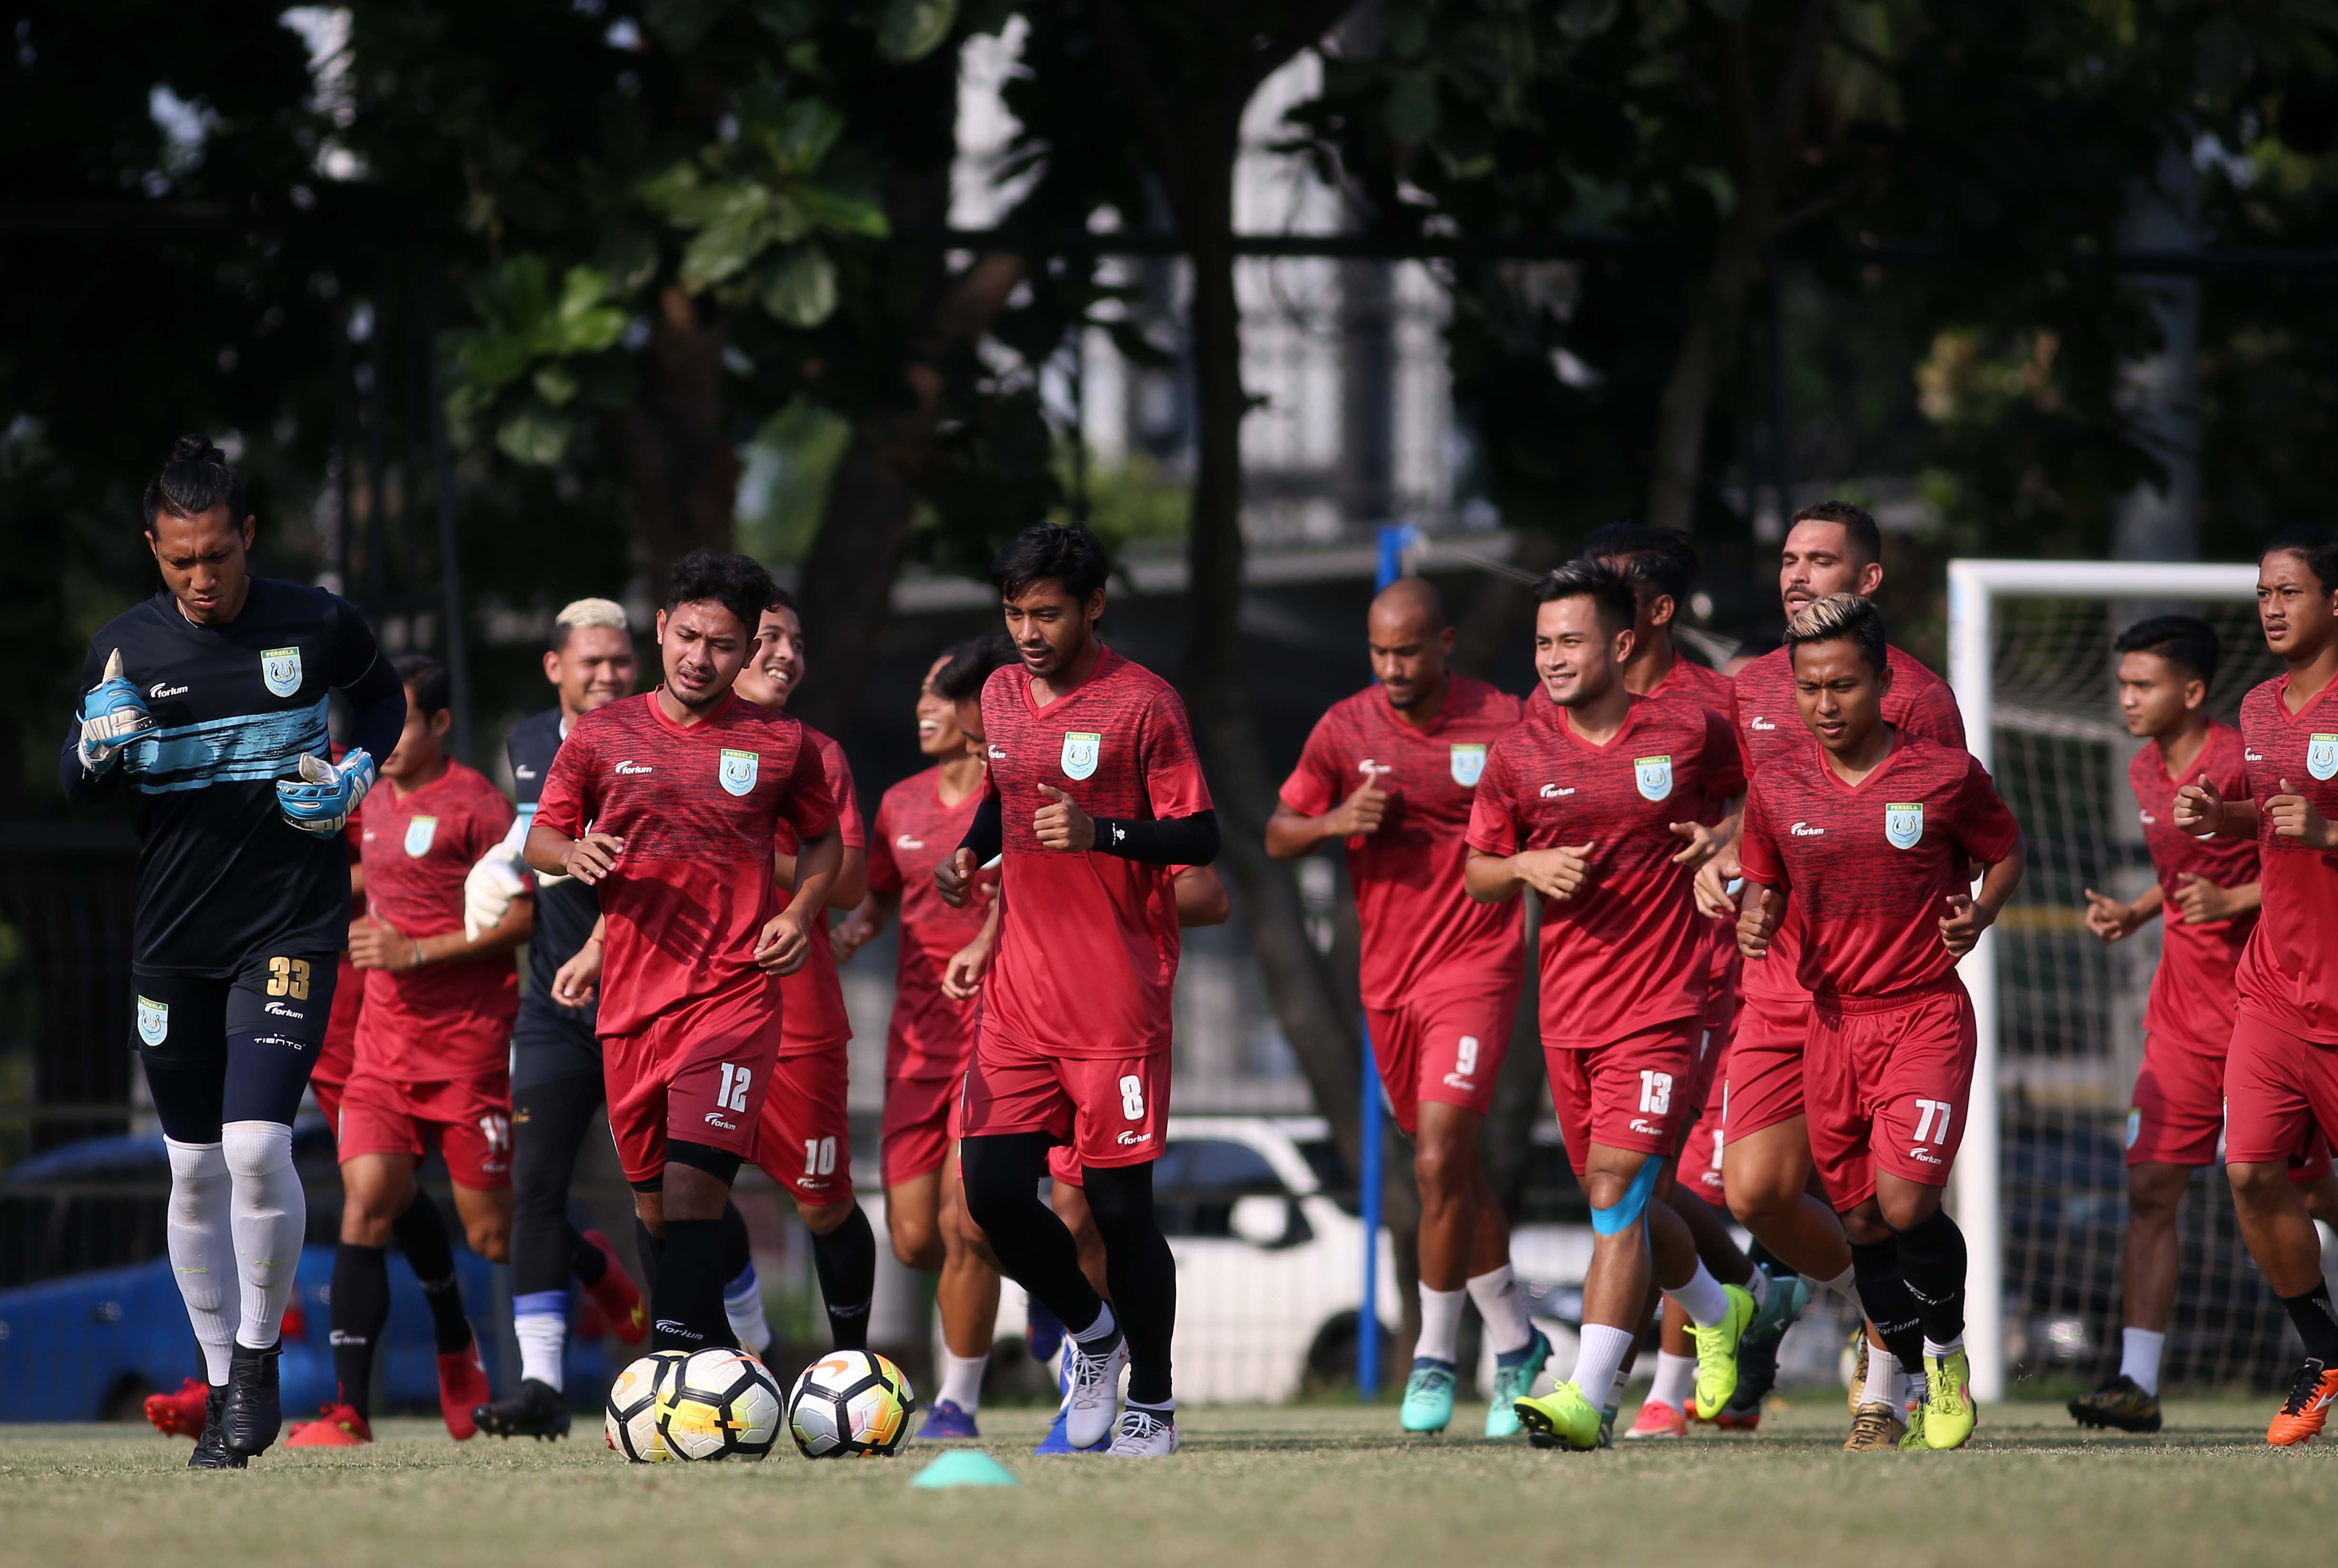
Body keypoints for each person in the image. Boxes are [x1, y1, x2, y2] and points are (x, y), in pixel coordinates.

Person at [64, 436, 405, 1465]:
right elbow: (82, 788)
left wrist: (355, 771)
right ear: (153, 550)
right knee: (194, 1169)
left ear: (248, 536)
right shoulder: (125, 649)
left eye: (218, 554)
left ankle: (257, 1368)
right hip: (174, 939)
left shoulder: (314, 618)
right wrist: (95, 748)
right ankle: (217, 1382)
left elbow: (382, 697)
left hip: (289, 923)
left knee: (259, 1145)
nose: (201, 579)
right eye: (180, 561)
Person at [1466, 559, 1756, 1453]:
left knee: (1620, 1192)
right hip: (1570, 1012)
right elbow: (1479, 872)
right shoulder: (1518, 752)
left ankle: (1588, 1396)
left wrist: (1724, 840)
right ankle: (1720, 1306)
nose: (1553, 658)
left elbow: (1766, 788)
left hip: (1667, 1001)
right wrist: (1524, 868)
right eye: (1544, 642)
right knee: (1613, 1200)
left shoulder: (1687, 731)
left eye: (1572, 641)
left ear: (1622, 644)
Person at [943, 522, 1218, 1459]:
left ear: (1093, 607)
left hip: (1116, 1005)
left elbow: (1201, 838)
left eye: (1047, 614)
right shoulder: (999, 695)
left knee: (1119, 1210)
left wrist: (1103, 834)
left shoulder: (1146, 705)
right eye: (1015, 613)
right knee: (990, 1196)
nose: (1027, 631)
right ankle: (1092, 1338)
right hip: (1020, 999)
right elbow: (1001, 795)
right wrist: (969, 852)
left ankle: (1157, 1397)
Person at [524, 550, 841, 1355]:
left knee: (696, 1187)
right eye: (690, 637)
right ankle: (720, 1354)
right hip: (632, 1006)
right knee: (655, 1205)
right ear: (662, 629)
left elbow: (825, 843)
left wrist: (801, 910)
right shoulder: (602, 737)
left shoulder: (778, 743)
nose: (702, 659)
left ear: (747, 651)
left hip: (733, 996)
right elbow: (543, 836)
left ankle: (679, 1367)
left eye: (725, 645)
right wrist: (575, 858)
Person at [1696, 499, 1965, 1444]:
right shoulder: (1753, 684)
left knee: (1889, 1198)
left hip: (1885, 991)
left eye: (1822, 559)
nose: (1798, 574)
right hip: (1780, 982)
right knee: (1755, 1192)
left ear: (1870, 583)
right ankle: (1875, 1301)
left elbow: (1948, 827)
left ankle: (1885, 1393)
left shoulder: (1921, 698)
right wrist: (1719, 856)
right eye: (1789, 557)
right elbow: (1752, 811)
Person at [1735, 593, 2025, 1452]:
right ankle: (1897, 1380)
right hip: (1832, 1025)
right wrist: (1756, 914)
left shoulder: (1940, 775)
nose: (1826, 706)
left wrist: (1983, 913)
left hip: (1922, 1016)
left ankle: (1948, 1358)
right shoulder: (1778, 785)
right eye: (1810, 688)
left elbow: (2003, 848)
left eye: (1845, 687)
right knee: (1860, 1222)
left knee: (1906, 1203)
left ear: (1884, 681)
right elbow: (1765, 878)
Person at [1265, 576, 1551, 1438]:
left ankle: (1433, 1356)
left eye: (1408, 652)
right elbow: (1278, 833)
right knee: (1450, 1171)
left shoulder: (1502, 720)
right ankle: (1519, 1347)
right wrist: (1335, 823)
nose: (1392, 668)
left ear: (1446, 645)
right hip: (1387, 982)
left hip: (1476, 965)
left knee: (1436, 1160)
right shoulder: (1345, 730)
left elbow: (1563, 790)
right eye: (1379, 653)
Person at [1581, 524, 1799, 1439]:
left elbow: (1792, 789)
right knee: (1640, 1194)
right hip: (1599, 992)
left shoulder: (1721, 704)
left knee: (1667, 1186)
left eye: (1615, 595)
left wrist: (1729, 837)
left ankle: (1667, 1389)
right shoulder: (1565, 708)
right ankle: (1749, 1296)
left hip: (1711, 977)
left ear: (1657, 612)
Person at [288, 657, 533, 1446]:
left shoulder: (478, 805)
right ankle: (350, 1413)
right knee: (367, 1201)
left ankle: (586, 1266)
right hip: (382, 1048)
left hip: (465, 1046)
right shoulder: (360, 789)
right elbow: (350, 872)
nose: (382, 740)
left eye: (400, 723)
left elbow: (521, 920)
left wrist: (414, 953)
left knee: (494, 1238)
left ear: (440, 725)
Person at [468, 599, 651, 1442]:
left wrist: (607, 945)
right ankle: (543, 1387)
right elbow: (538, 840)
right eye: (592, 662)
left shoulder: (659, 740)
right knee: (533, 1186)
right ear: (557, 668)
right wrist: (503, 864)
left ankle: (737, 1347)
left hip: (651, 998)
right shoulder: (529, 742)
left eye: (620, 660)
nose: (608, 675)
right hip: (554, 1005)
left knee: (676, 1190)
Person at [2172, 527, 2338, 1445]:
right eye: (2264, 593)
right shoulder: (2260, 708)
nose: (2273, 608)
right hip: (2273, 989)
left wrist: (2330, 836)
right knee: (2247, 1169)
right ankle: (2321, 1351)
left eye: (2291, 591)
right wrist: (2220, 814)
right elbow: (2274, 815)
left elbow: (2314, 826)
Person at [833, 638, 1006, 1439]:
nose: (925, 713)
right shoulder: (900, 804)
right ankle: (1036, 1267)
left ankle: (956, 1403)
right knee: (911, 1240)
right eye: (921, 702)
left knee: (964, 1222)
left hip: (997, 1036)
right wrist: (851, 932)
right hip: (914, 1049)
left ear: (977, 711)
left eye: (940, 700)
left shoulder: (1012, 796)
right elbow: (875, 899)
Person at [733, 590, 881, 1356]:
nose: (788, 654)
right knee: (670, 1193)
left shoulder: (816, 752)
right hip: (690, 1008)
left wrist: (747, 848)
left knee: (823, 1206)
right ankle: (727, 1351)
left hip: (797, 1015)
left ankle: (851, 1370)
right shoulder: (656, 740)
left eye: (796, 641)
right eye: (769, 639)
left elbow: (852, 884)